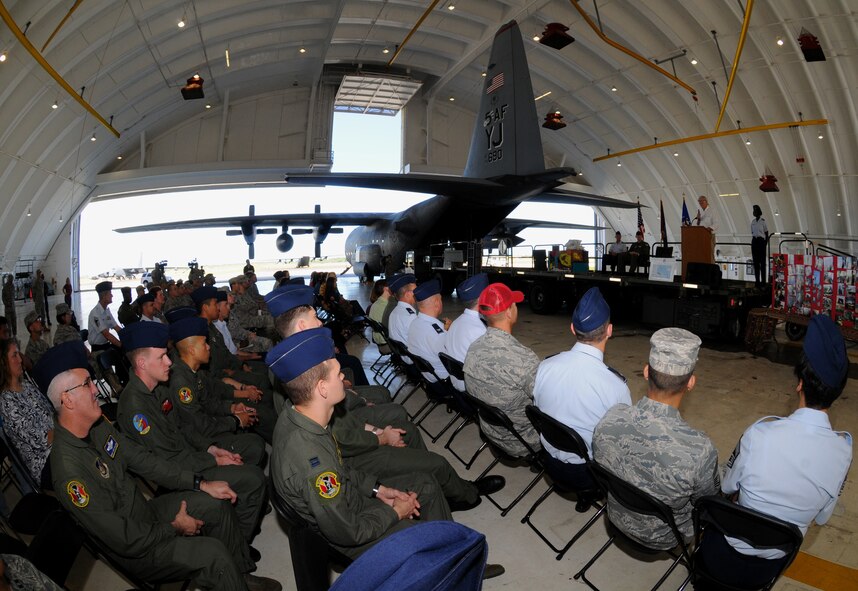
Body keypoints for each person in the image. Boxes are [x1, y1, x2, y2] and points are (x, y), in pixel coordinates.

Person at [267, 327, 503, 580]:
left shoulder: (302, 417)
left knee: (425, 483)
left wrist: (379, 490)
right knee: (423, 532)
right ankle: (446, 567)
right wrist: (394, 512)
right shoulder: (310, 457)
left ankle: (450, 560)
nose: (344, 378)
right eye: (337, 374)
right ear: (322, 389)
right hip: (351, 531)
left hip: (350, 508)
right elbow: (348, 531)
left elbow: (342, 471)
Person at [42, 341, 280, 591]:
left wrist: (200, 483)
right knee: (212, 552)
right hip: (139, 548)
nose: (96, 390)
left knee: (214, 504)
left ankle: (238, 576)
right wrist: (174, 527)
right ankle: (228, 576)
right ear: (67, 399)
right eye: (87, 384)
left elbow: (145, 461)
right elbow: (124, 538)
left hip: (146, 514)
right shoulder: (69, 473)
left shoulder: (98, 428)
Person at [267, 284, 502, 511]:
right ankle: (464, 494)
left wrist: (376, 430)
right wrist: (380, 438)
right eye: (314, 318)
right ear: (300, 325)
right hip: (347, 459)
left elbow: (335, 420)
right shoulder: (296, 372)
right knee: (435, 461)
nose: (320, 322)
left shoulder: (294, 363)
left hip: (349, 438)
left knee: (407, 431)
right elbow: (334, 437)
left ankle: (444, 485)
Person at [699, 315, 851, 587]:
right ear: (837, 394)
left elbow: (728, 484)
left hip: (720, 555)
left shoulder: (760, 434)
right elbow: (823, 517)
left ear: (799, 384)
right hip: (769, 568)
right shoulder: (842, 452)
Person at [114, 321, 268, 545]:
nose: (169, 361)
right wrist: (213, 460)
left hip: (189, 458)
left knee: (250, 462)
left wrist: (212, 449)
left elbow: (183, 428)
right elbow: (170, 458)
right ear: (141, 363)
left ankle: (235, 531)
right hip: (178, 473)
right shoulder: (136, 409)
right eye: (162, 357)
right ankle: (238, 547)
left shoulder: (158, 388)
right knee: (254, 479)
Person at [593, 328, 719, 550]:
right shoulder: (699, 450)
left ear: (645, 372)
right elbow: (708, 501)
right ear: (691, 383)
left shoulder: (611, 418)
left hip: (615, 517)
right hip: (663, 537)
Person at [533, 287, 631, 509]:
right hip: (585, 475)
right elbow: (620, 443)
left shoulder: (545, 366)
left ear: (572, 329)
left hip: (548, 462)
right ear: (610, 331)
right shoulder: (615, 386)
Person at [167, 316, 266, 466]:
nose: (208, 347)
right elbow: (199, 424)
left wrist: (232, 408)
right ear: (192, 350)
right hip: (199, 440)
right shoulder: (182, 383)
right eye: (204, 343)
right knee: (255, 445)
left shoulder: (194, 371)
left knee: (251, 432)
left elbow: (209, 400)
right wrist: (235, 421)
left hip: (209, 424)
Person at [463, 283, 541, 457]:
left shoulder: (474, 348)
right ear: (508, 312)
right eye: (514, 304)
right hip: (522, 440)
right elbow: (547, 401)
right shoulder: (523, 359)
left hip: (490, 431)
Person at [0, 339, 54, 488]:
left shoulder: (26, 385)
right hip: (45, 463)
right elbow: (42, 440)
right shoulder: (7, 403)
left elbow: (51, 413)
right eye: (14, 355)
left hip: (58, 444)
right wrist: (69, 430)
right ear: (3, 363)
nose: (20, 360)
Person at [444, 274, 488, 391]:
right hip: (471, 390)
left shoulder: (456, 323)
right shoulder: (480, 330)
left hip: (456, 384)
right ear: (482, 298)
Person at [407, 280, 452, 382]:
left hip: (427, 378)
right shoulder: (436, 333)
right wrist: (449, 333)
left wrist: (445, 331)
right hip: (444, 382)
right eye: (440, 299)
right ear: (437, 303)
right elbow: (453, 357)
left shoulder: (414, 323)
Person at [87, 281, 122, 353]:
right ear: (104, 296)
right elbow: (106, 334)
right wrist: (122, 345)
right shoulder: (95, 314)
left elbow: (117, 328)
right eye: (110, 293)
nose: (112, 295)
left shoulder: (106, 311)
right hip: (98, 349)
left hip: (106, 345)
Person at [386, 273, 418, 346]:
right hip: (411, 356)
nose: (418, 292)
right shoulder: (410, 317)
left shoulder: (394, 311)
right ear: (407, 295)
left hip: (401, 355)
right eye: (415, 290)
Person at [367, 280, 395, 349]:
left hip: (379, 340)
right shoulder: (388, 306)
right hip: (388, 343)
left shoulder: (375, 304)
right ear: (386, 289)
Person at [751, 204, 769, 287]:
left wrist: (765, 243)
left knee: (762, 262)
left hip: (761, 241)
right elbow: (752, 232)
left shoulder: (763, 221)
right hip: (755, 241)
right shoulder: (753, 222)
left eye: (755, 210)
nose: (754, 212)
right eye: (754, 210)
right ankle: (757, 281)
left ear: (759, 212)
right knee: (756, 262)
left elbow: (766, 232)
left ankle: (763, 282)